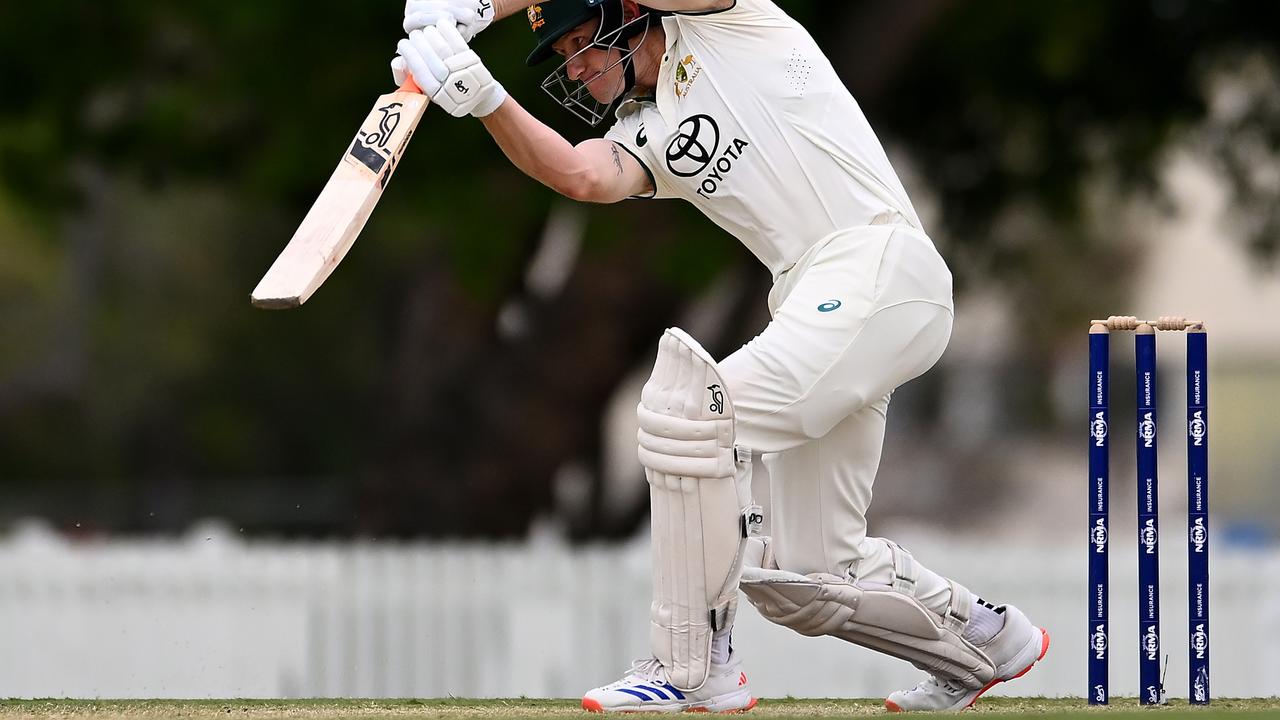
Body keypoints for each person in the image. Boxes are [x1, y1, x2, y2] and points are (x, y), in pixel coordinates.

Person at [391, 0, 1049, 712]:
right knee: (810, 579)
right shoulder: (645, 127)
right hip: (821, 300)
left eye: (581, 41)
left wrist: (483, 5)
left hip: (878, 264)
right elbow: (582, 177)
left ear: (631, 15)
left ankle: (689, 666)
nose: (574, 68)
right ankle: (985, 640)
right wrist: (485, 98)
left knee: (690, 413)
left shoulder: (734, 24)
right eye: (562, 56)